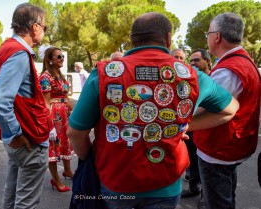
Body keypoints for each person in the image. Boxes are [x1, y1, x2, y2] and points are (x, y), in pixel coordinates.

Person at [67, 12, 239, 209]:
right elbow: (230, 109)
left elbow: (75, 133)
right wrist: (184, 126)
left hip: (115, 181)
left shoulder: (104, 73)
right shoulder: (191, 76)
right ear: (168, 38)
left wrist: (90, 158)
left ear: (132, 40)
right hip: (166, 183)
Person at [0, 3, 56, 208]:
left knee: (12, 194)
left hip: (20, 140)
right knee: (26, 203)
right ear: (35, 27)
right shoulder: (18, 54)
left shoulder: (4, 50)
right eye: (45, 27)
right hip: (28, 139)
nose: (44, 31)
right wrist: (14, 132)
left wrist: (8, 132)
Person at [193, 13, 260, 209]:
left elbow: (206, 110)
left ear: (217, 36)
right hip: (233, 145)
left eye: (208, 33)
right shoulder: (243, 61)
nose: (207, 38)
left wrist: (181, 125)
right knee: (226, 196)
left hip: (219, 149)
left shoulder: (228, 70)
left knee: (218, 203)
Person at [39, 47, 74, 192]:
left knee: (66, 142)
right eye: (58, 57)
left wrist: (72, 110)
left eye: (62, 57)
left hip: (65, 115)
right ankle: (56, 179)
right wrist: (49, 125)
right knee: (53, 148)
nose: (62, 59)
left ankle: (67, 170)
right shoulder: (45, 78)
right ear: (49, 60)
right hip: (54, 116)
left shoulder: (60, 74)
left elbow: (65, 97)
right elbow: (46, 103)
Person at [181, 49, 212, 199]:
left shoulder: (215, 78)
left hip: (208, 129)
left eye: (197, 60)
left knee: (207, 165)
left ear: (207, 61)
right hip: (192, 129)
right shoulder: (189, 80)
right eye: (191, 60)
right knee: (193, 159)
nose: (193, 63)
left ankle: (205, 197)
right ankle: (194, 187)